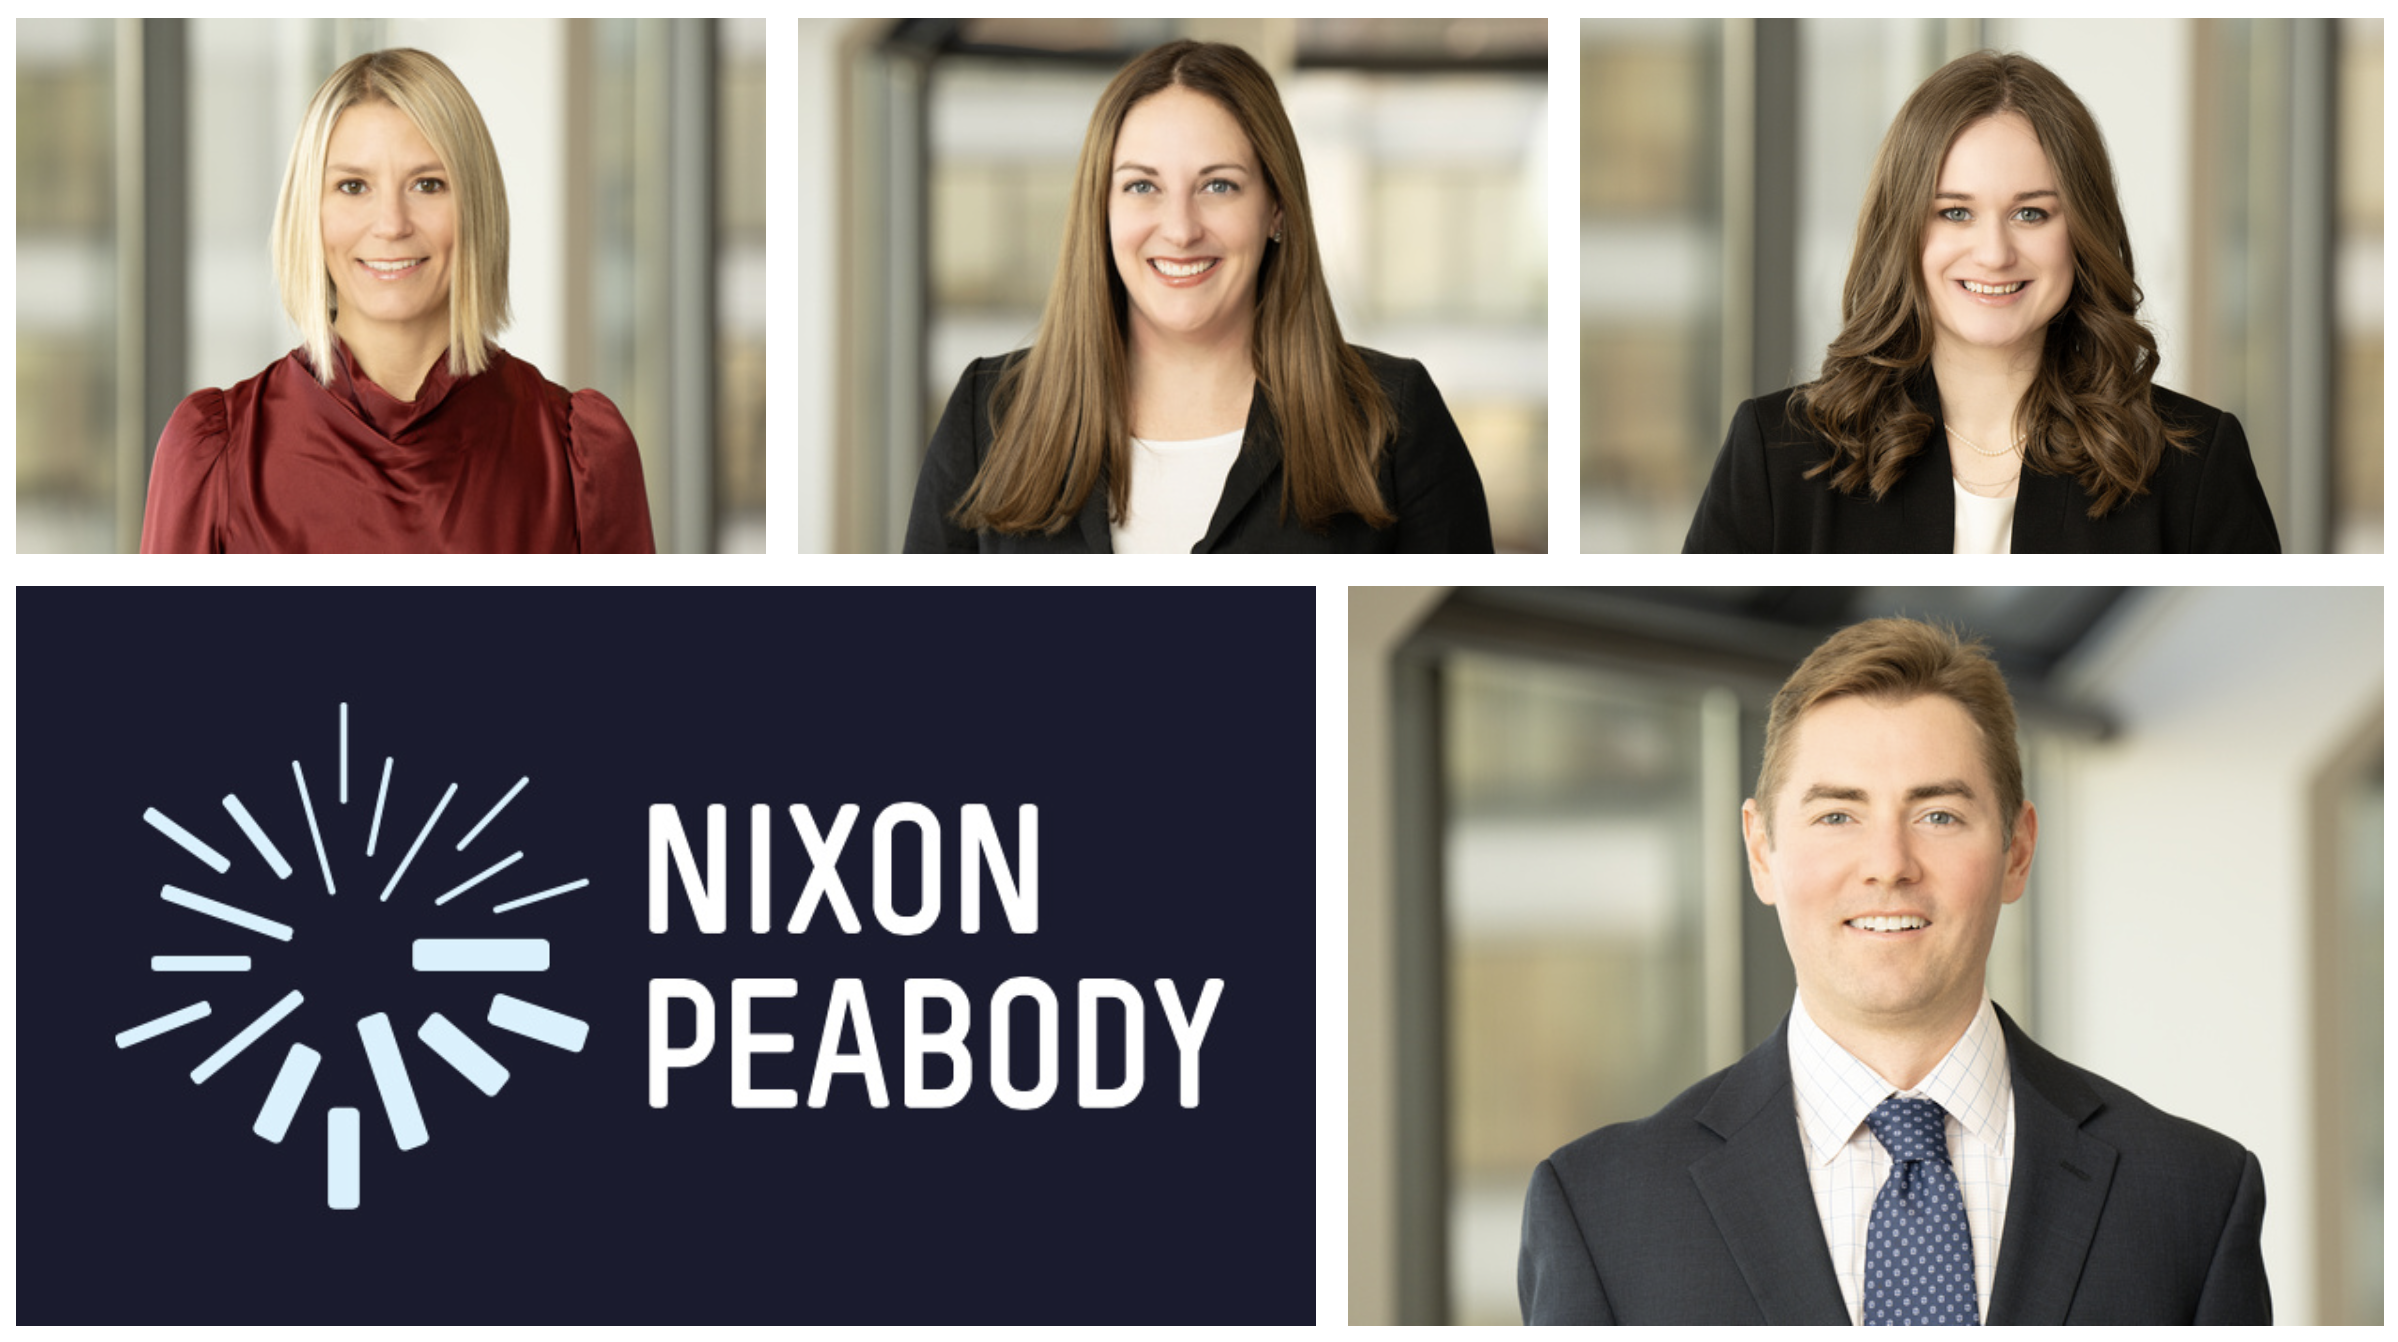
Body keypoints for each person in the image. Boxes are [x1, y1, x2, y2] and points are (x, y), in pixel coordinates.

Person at [1518, 618, 2269, 1324]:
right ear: (1761, 850)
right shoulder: (1599, 1212)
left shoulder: (2192, 1196)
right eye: (1837, 815)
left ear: (2017, 850)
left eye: (1937, 815)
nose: (1888, 867)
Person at [903, 39, 1494, 553]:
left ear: (1276, 209)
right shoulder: (989, 417)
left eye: (1219, 185)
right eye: (1142, 185)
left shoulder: (1393, 421)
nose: (1181, 228)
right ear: (1100, 211)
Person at [1682, 52, 2279, 553]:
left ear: (2082, 231)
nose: (1994, 253)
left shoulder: (2196, 462)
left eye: (2030, 213)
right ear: (1905, 230)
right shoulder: (1777, 454)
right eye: (1955, 212)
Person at [140, 48, 654, 553]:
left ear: (477, 207)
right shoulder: (214, 453)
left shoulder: (579, 455)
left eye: (428, 185)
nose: (391, 224)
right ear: (309, 214)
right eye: (353, 186)